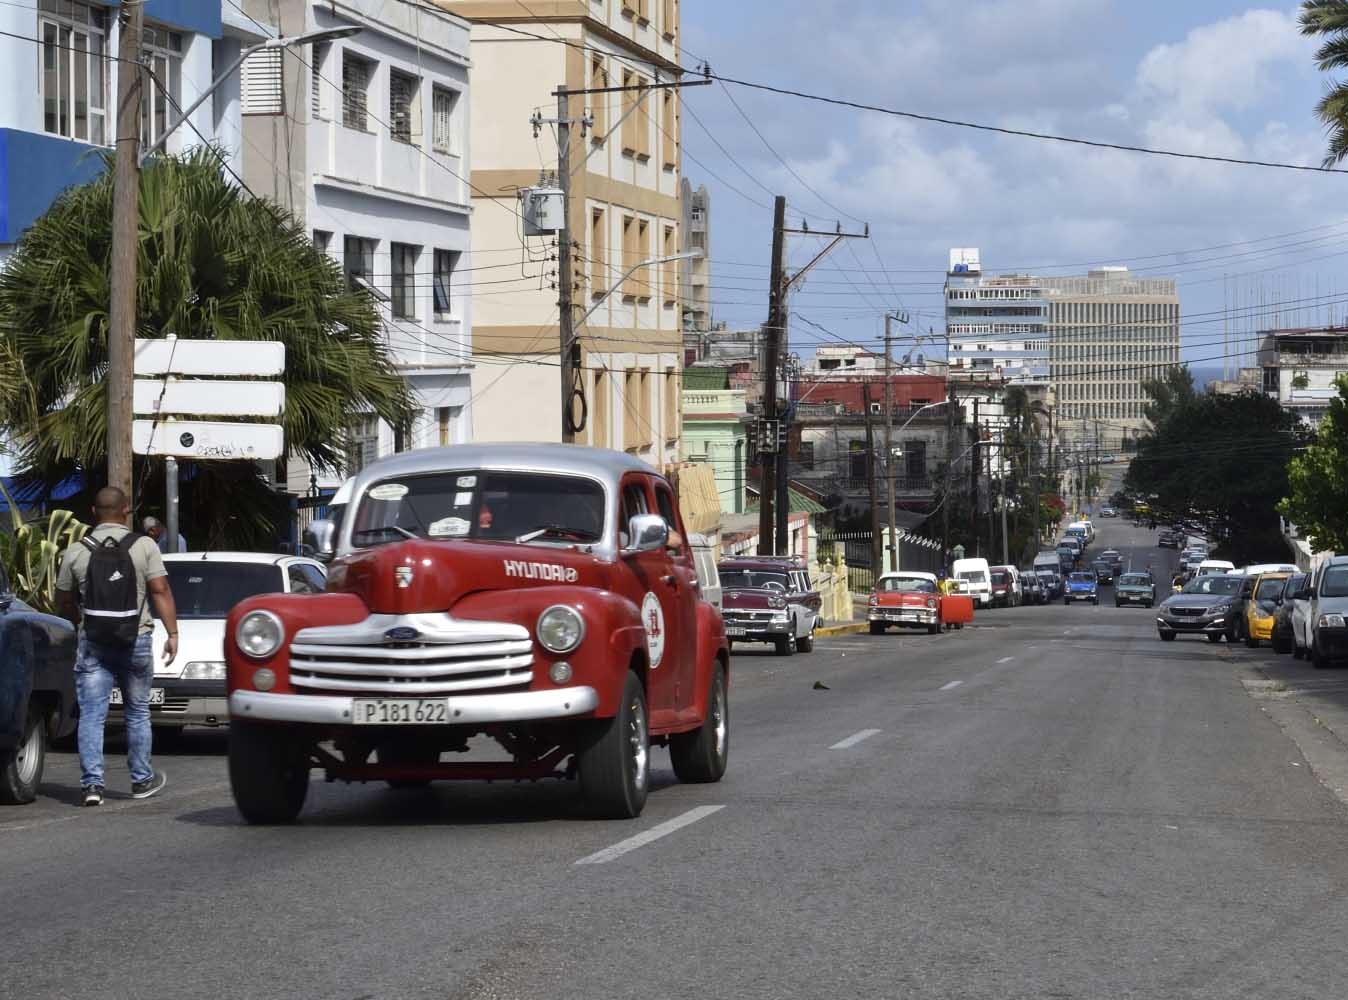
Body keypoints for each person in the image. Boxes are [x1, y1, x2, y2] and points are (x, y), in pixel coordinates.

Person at [57, 488, 179, 807]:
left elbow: (64, 601)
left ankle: (92, 786)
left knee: (92, 715)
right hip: (136, 638)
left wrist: (81, 621)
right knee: (137, 712)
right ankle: (141, 780)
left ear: (93, 512)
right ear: (126, 510)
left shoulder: (76, 551)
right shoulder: (145, 546)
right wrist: (173, 633)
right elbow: (160, 589)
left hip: (93, 641)